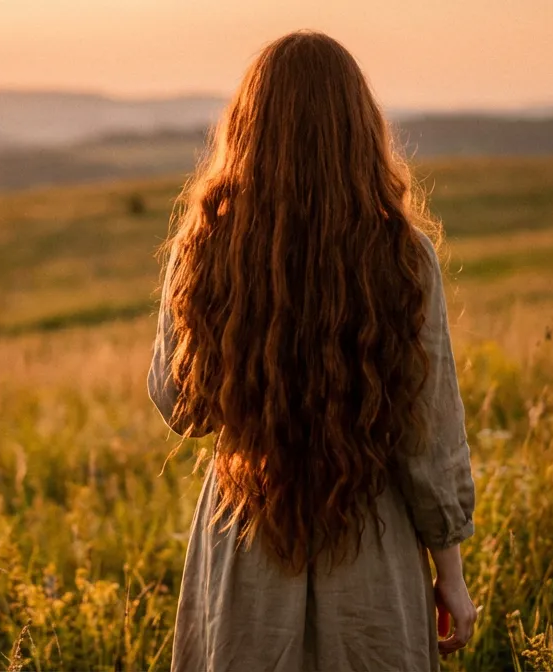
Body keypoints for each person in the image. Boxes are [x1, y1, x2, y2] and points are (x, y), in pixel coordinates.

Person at [147, 31, 478, 671]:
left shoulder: (208, 248)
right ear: (359, 131)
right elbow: (428, 434)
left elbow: (180, 406)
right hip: (371, 552)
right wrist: (452, 574)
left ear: (246, 131)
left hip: (246, 543)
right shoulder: (403, 257)